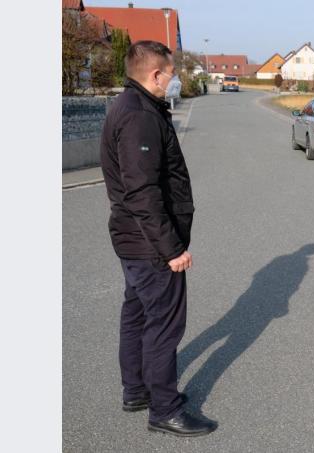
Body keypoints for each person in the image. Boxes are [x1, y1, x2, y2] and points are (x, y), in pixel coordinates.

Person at [100, 40, 216, 436]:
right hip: (150, 244)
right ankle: (165, 409)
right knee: (164, 325)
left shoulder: (132, 106)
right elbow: (142, 191)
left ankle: (137, 391)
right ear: (155, 75)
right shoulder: (139, 116)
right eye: (171, 73)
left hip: (134, 239)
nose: (174, 79)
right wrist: (172, 249)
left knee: (136, 315)